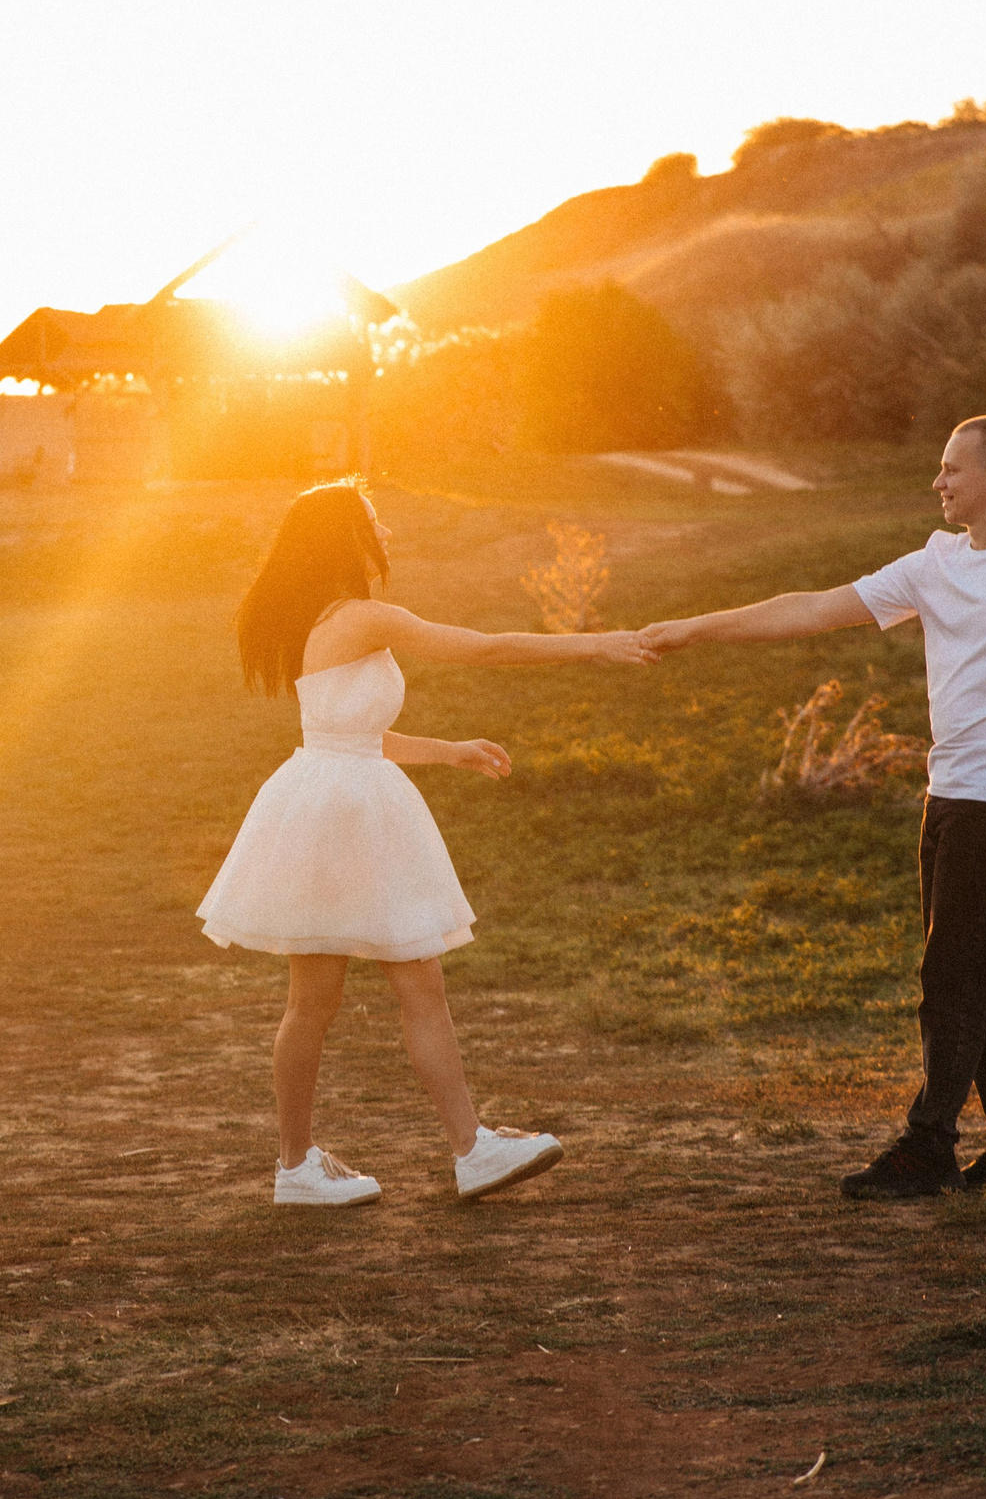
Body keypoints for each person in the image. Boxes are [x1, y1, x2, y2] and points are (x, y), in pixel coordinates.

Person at [642, 416, 986, 1199]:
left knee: (951, 976)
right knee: (971, 969)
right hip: (949, 795)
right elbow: (809, 607)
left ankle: (928, 1146)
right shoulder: (936, 564)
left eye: (950, 470)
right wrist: (695, 629)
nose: (937, 482)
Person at [200, 479, 657, 1206]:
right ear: (346, 537)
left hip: (324, 798)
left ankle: (297, 1168)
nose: (387, 531)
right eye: (374, 520)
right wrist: (599, 644)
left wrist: (448, 750)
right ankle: (470, 1150)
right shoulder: (364, 616)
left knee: (314, 1000)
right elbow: (486, 648)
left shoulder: (315, 620)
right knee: (417, 986)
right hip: (350, 809)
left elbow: (349, 733)